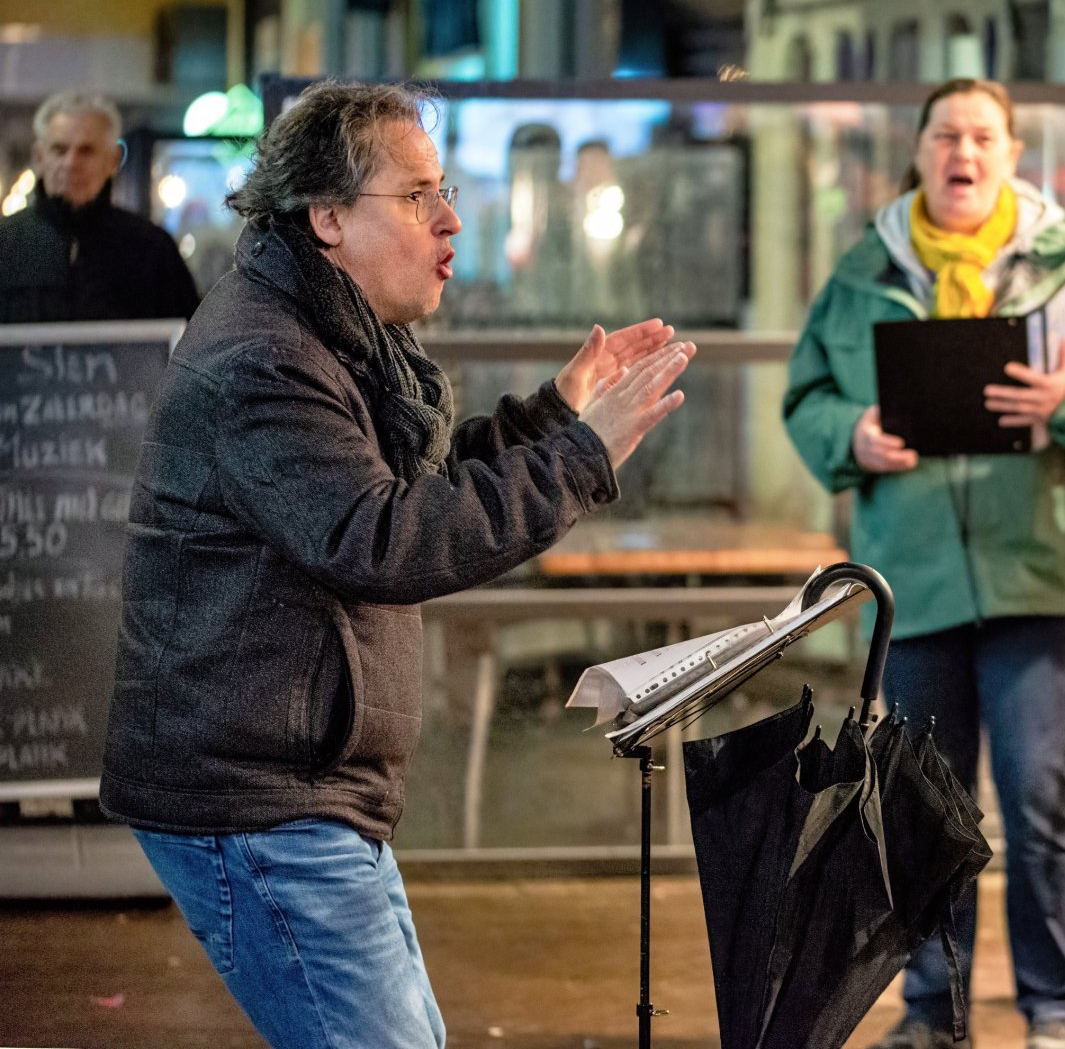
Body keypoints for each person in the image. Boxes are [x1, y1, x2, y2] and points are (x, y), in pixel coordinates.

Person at [98, 80, 694, 1049]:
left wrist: (553, 419)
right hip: (260, 805)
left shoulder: (325, 332)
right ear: (326, 215)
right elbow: (380, 535)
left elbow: (402, 482)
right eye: (417, 196)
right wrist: (580, 459)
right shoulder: (266, 359)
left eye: (444, 188)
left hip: (303, 794)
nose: (451, 219)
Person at [783, 78, 1065, 1049]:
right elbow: (808, 398)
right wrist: (851, 437)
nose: (965, 151)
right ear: (918, 151)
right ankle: (933, 1010)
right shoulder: (864, 270)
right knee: (925, 808)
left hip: (1043, 573)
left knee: (1042, 797)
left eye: (984, 137)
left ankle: (1054, 1006)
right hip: (914, 582)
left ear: (1013, 154)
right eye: (947, 134)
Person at [0, 90, 200, 322]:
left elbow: (188, 343)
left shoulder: (153, 250)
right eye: (59, 149)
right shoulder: (4, 245)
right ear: (39, 157)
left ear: (113, 160)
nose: (71, 163)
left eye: (86, 151)